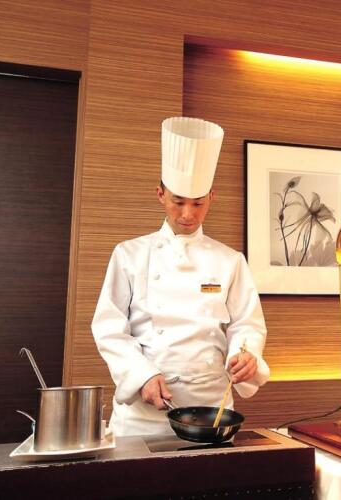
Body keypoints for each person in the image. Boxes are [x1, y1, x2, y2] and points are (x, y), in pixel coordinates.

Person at [91, 117, 269, 436]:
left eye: (198, 203)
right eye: (178, 202)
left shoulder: (230, 260)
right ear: (161, 194)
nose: (188, 214)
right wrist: (141, 375)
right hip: (143, 416)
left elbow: (246, 325)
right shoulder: (129, 254)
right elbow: (108, 328)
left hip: (212, 410)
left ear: (211, 198)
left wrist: (245, 355)